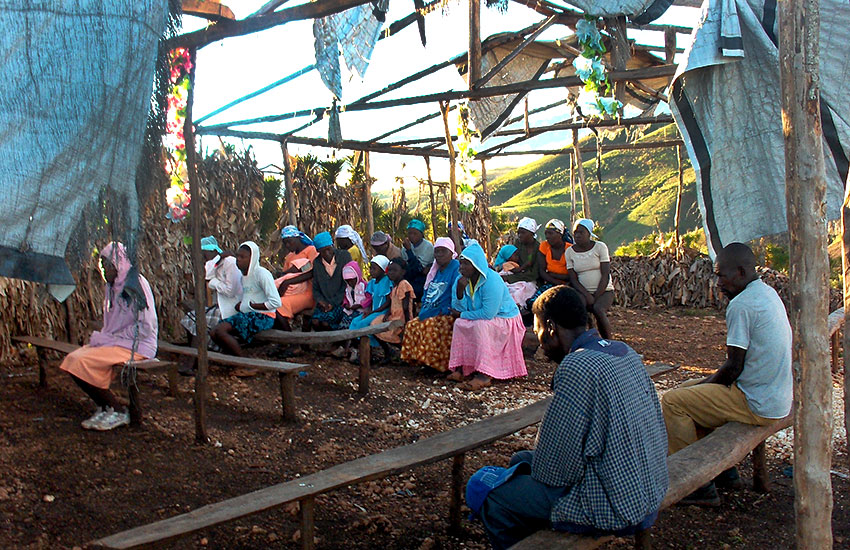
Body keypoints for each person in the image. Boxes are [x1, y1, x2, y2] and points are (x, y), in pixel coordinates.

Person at [466, 286, 668, 549]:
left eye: (537, 328)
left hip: (614, 504)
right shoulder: (624, 351)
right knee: (521, 460)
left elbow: (556, 470)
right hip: (650, 486)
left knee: (483, 487)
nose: (537, 338)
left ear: (550, 326)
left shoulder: (577, 366)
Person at [661, 242, 792, 505]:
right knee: (689, 389)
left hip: (757, 402)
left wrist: (706, 385)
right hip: (776, 395)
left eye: (722, 275)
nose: (717, 282)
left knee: (673, 402)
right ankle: (724, 473)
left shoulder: (741, 305)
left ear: (741, 272)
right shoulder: (767, 293)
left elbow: (733, 367)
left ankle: (696, 484)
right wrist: (702, 386)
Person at [60, 242, 158, 431]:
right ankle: (105, 406)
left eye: (107, 265)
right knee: (73, 360)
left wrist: (116, 338)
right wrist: (111, 338)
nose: (104, 270)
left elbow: (147, 326)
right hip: (118, 342)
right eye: (102, 265)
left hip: (138, 345)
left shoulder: (135, 284)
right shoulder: (113, 287)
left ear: (118, 263)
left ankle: (118, 410)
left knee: (80, 361)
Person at [447, 242, 527, 390]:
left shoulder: (492, 280)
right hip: (478, 316)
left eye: (466, 264)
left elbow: (488, 313)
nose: (462, 268)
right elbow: (457, 308)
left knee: (481, 326)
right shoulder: (461, 280)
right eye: (461, 264)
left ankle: (484, 375)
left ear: (476, 265)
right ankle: (461, 369)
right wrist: (459, 291)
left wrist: (462, 314)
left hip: (505, 318)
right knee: (459, 324)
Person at [178, 236, 243, 374]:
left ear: (212, 250)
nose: (203, 256)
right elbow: (207, 275)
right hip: (220, 305)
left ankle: (192, 362)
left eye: (204, 253)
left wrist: (214, 283)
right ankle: (196, 356)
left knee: (200, 322)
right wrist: (216, 259)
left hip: (233, 306)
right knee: (190, 317)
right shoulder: (215, 263)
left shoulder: (230, 263)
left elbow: (230, 291)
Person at [210, 242, 281, 364]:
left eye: (242, 257)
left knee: (221, 331)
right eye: (237, 256)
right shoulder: (244, 277)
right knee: (213, 332)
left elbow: (275, 302)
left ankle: (245, 364)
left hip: (263, 316)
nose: (238, 260)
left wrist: (252, 306)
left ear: (252, 258)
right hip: (248, 314)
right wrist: (243, 304)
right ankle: (233, 360)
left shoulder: (262, 274)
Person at [401, 237, 461, 372]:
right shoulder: (436, 270)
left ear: (451, 253)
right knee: (412, 325)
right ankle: (421, 361)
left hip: (447, 311)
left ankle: (437, 365)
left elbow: (455, 293)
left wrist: (445, 309)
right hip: (431, 309)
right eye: (437, 251)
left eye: (443, 251)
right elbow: (428, 292)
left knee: (430, 326)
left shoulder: (456, 268)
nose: (439, 255)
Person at [565, 218, 615, 339]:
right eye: (575, 232)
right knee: (579, 308)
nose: (577, 235)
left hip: (604, 291)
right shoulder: (570, 252)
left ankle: (608, 341)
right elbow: (574, 279)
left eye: (581, 232)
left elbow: (605, 274)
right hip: (583, 291)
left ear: (589, 234)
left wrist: (596, 296)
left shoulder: (600, 247)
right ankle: (583, 339)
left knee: (598, 309)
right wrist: (587, 295)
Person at [348, 255, 393, 361]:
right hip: (374, 310)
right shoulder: (372, 283)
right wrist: (368, 311)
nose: (371, 271)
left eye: (374, 268)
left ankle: (369, 351)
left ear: (382, 269)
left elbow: (388, 302)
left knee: (363, 324)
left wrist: (374, 311)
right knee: (355, 321)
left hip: (382, 311)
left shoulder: (387, 281)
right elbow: (372, 300)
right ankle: (357, 349)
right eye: (370, 268)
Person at [275, 225, 319, 331]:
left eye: (290, 241)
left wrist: (287, 282)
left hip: (309, 293)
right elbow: (285, 275)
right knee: (272, 304)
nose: (288, 245)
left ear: (298, 238)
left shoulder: (311, 251)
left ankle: (290, 340)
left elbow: (313, 272)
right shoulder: (289, 257)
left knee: (278, 306)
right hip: (292, 291)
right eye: (285, 243)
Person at [372, 257, 414, 361]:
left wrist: (407, 323)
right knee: (374, 325)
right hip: (393, 315)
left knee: (396, 335)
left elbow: (405, 306)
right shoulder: (395, 286)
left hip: (401, 317)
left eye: (394, 270)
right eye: (389, 270)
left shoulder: (404, 285)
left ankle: (404, 354)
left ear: (403, 272)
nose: (391, 273)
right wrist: (388, 313)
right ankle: (389, 352)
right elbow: (393, 302)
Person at [311, 231, 352, 331]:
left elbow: (347, 285)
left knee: (326, 323)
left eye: (328, 249)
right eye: (322, 252)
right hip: (324, 303)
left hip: (341, 301)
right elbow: (315, 288)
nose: (327, 254)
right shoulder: (317, 263)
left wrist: (333, 303)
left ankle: (334, 342)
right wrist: (321, 302)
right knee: (315, 322)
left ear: (333, 245)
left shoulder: (344, 256)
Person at [525, 219, 570, 309]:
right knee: (533, 303)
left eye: (551, 233)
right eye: (546, 233)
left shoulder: (570, 249)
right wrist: (557, 282)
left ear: (560, 234)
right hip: (551, 283)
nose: (547, 236)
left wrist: (553, 275)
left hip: (568, 284)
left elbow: (571, 275)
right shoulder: (544, 246)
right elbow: (542, 271)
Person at [403, 219, 434, 299]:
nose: (412, 236)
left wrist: (409, 251)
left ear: (421, 234)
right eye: (410, 233)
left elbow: (419, 269)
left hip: (422, 281)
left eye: (415, 233)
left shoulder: (428, 247)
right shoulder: (405, 247)